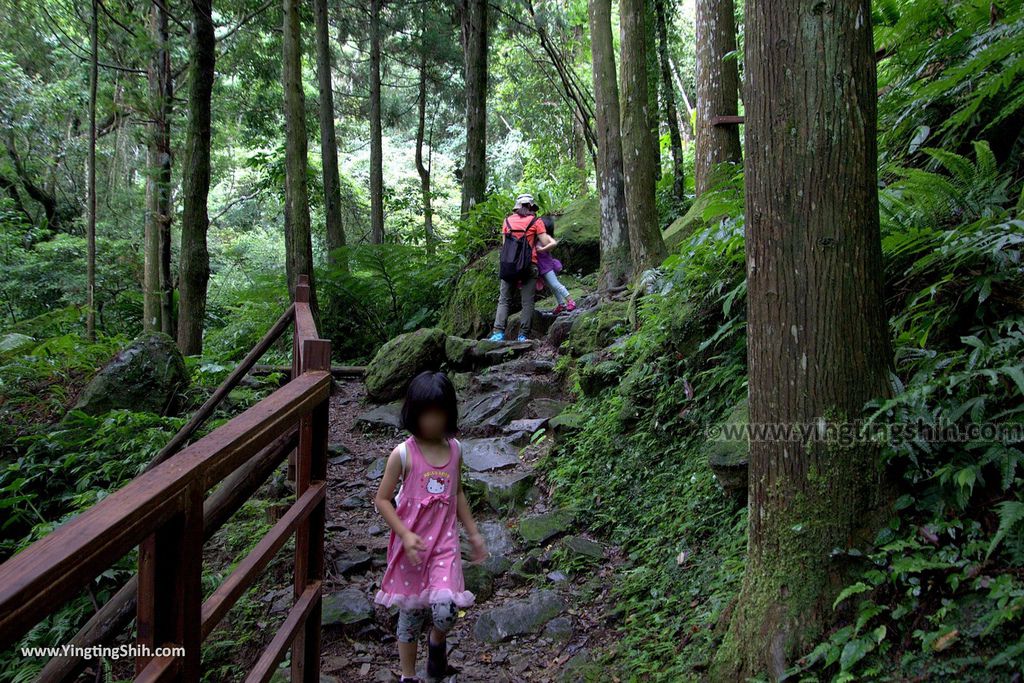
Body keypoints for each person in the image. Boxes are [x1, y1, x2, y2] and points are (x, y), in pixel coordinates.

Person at [373, 371, 488, 683]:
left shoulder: (455, 450)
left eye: (440, 413)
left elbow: (457, 492)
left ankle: (437, 641)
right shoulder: (403, 454)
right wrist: (405, 534)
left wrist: (473, 534)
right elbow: (382, 500)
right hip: (411, 550)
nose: (433, 421)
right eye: (426, 413)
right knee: (409, 617)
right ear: (413, 412)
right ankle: (408, 675)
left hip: (444, 546)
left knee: (446, 610)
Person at [488, 193, 557, 342]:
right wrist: (541, 250)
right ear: (531, 207)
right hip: (528, 265)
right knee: (527, 302)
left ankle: (498, 332)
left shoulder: (507, 221)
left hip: (509, 265)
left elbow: (505, 244)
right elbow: (546, 242)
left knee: (504, 300)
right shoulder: (536, 221)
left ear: (516, 207)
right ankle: (523, 335)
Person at [535, 215, 576, 315]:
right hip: (542, 268)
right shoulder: (536, 238)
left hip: (547, 266)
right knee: (552, 287)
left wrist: (543, 249)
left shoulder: (546, 237)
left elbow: (554, 243)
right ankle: (561, 304)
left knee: (555, 284)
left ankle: (570, 301)